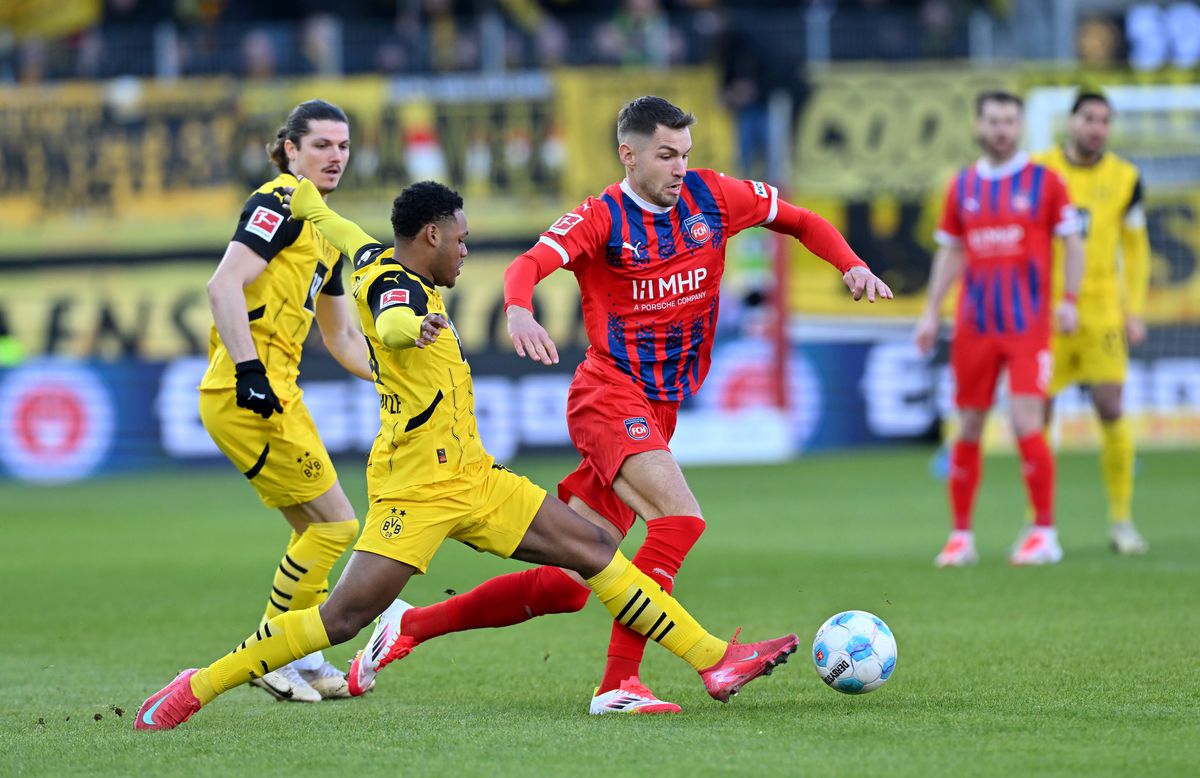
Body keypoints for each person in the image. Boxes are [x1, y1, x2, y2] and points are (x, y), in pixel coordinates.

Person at [133, 179, 801, 732]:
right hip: (416, 490)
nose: (465, 251)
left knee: (596, 550)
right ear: (431, 236)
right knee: (342, 619)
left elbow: (340, 229)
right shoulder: (397, 288)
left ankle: (713, 659)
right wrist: (411, 327)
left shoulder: (370, 254)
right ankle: (199, 685)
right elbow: (392, 317)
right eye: (461, 239)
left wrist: (306, 199)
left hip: (474, 477)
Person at [353, 95, 892, 716]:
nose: (679, 167)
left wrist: (851, 264)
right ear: (628, 155)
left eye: (684, 153)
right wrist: (520, 310)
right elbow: (528, 264)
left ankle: (411, 625)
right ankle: (623, 682)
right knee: (679, 518)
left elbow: (800, 220)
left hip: (660, 406)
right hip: (608, 395)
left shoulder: (714, 197)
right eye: (665, 155)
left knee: (566, 584)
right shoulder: (600, 217)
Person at [197, 99, 372, 702]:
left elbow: (342, 337)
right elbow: (223, 284)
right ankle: (269, 654)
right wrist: (249, 370)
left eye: (343, 146)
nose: (335, 156)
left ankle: (306, 656)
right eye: (321, 144)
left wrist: (396, 376)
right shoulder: (279, 201)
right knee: (338, 524)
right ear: (290, 149)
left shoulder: (326, 230)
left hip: (276, 393)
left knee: (315, 530)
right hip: (248, 392)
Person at [914, 90, 1085, 567]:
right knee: (968, 424)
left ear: (1021, 126)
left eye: (1010, 121)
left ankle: (1044, 532)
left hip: (1028, 326)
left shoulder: (1046, 182)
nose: (1002, 130)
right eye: (993, 121)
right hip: (975, 326)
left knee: (1026, 419)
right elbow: (951, 251)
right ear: (978, 126)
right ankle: (961, 537)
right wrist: (931, 310)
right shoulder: (963, 185)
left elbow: (1072, 243)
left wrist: (1070, 300)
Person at [1033, 91, 1151, 555]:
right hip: (1046, 310)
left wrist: (1133, 309)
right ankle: (1039, 524)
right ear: (1071, 121)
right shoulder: (1039, 171)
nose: (1096, 128)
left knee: (1110, 405)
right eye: (1089, 118)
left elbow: (1136, 250)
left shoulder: (1126, 178)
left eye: (1104, 120)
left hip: (1101, 309)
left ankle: (1122, 519)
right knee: (1037, 414)